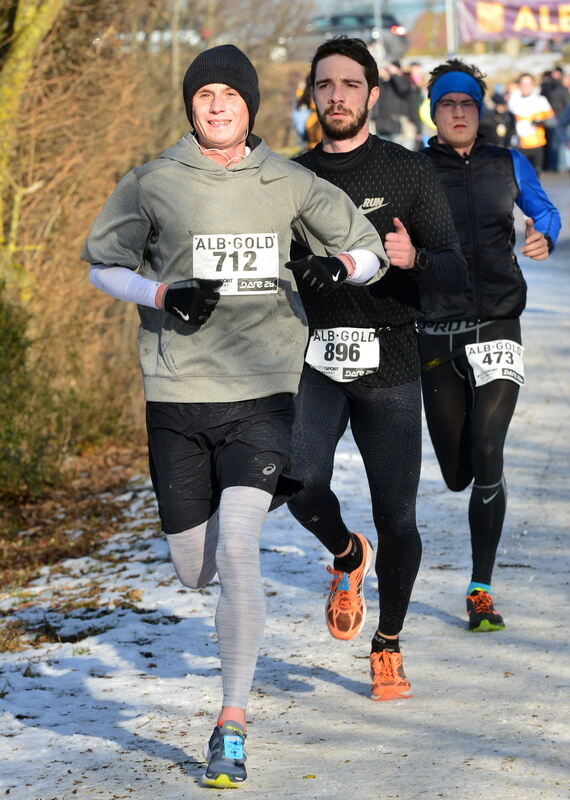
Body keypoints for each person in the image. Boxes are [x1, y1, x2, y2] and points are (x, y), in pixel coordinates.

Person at [81, 44, 387, 788]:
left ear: (250, 105)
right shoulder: (155, 179)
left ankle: (231, 722)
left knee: (238, 549)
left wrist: (333, 267)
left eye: (229, 94)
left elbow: (370, 251)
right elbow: (99, 263)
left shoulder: (287, 179)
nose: (216, 105)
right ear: (189, 106)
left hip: (264, 393)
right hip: (178, 395)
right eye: (204, 94)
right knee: (195, 570)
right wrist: (161, 295)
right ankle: (324, 554)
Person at [286, 37, 467, 701]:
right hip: (314, 357)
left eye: (349, 84)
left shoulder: (407, 173)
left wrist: (413, 256)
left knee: (398, 519)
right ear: (313, 93)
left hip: (390, 359)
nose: (337, 95)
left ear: (369, 93)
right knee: (296, 482)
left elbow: (453, 269)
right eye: (325, 84)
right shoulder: (289, 177)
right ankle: (344, 554)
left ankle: (386, 643)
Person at [419, 58, 561, 633]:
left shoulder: (508, 163)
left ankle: (481, 587)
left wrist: (543, 233)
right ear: (435, 111)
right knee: (456, 471)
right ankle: (470, 482)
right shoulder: (415, 170)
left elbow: (546, 209)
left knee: (488, 451)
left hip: (499, 323)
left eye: (468, 104)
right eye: (449, 104)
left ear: (480, 111)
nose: (459, 112)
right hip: (436, 332)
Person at [508, 72, 556, 173]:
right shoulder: (513, 101)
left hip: (537, 144)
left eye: (528, 84)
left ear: (533, 85)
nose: (526, 87)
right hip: (519, 145)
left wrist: (541, 121)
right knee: (520, 178)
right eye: (523, 84)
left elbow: (553, 121)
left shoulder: (541, 101)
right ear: (519, 85)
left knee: (535, 177)